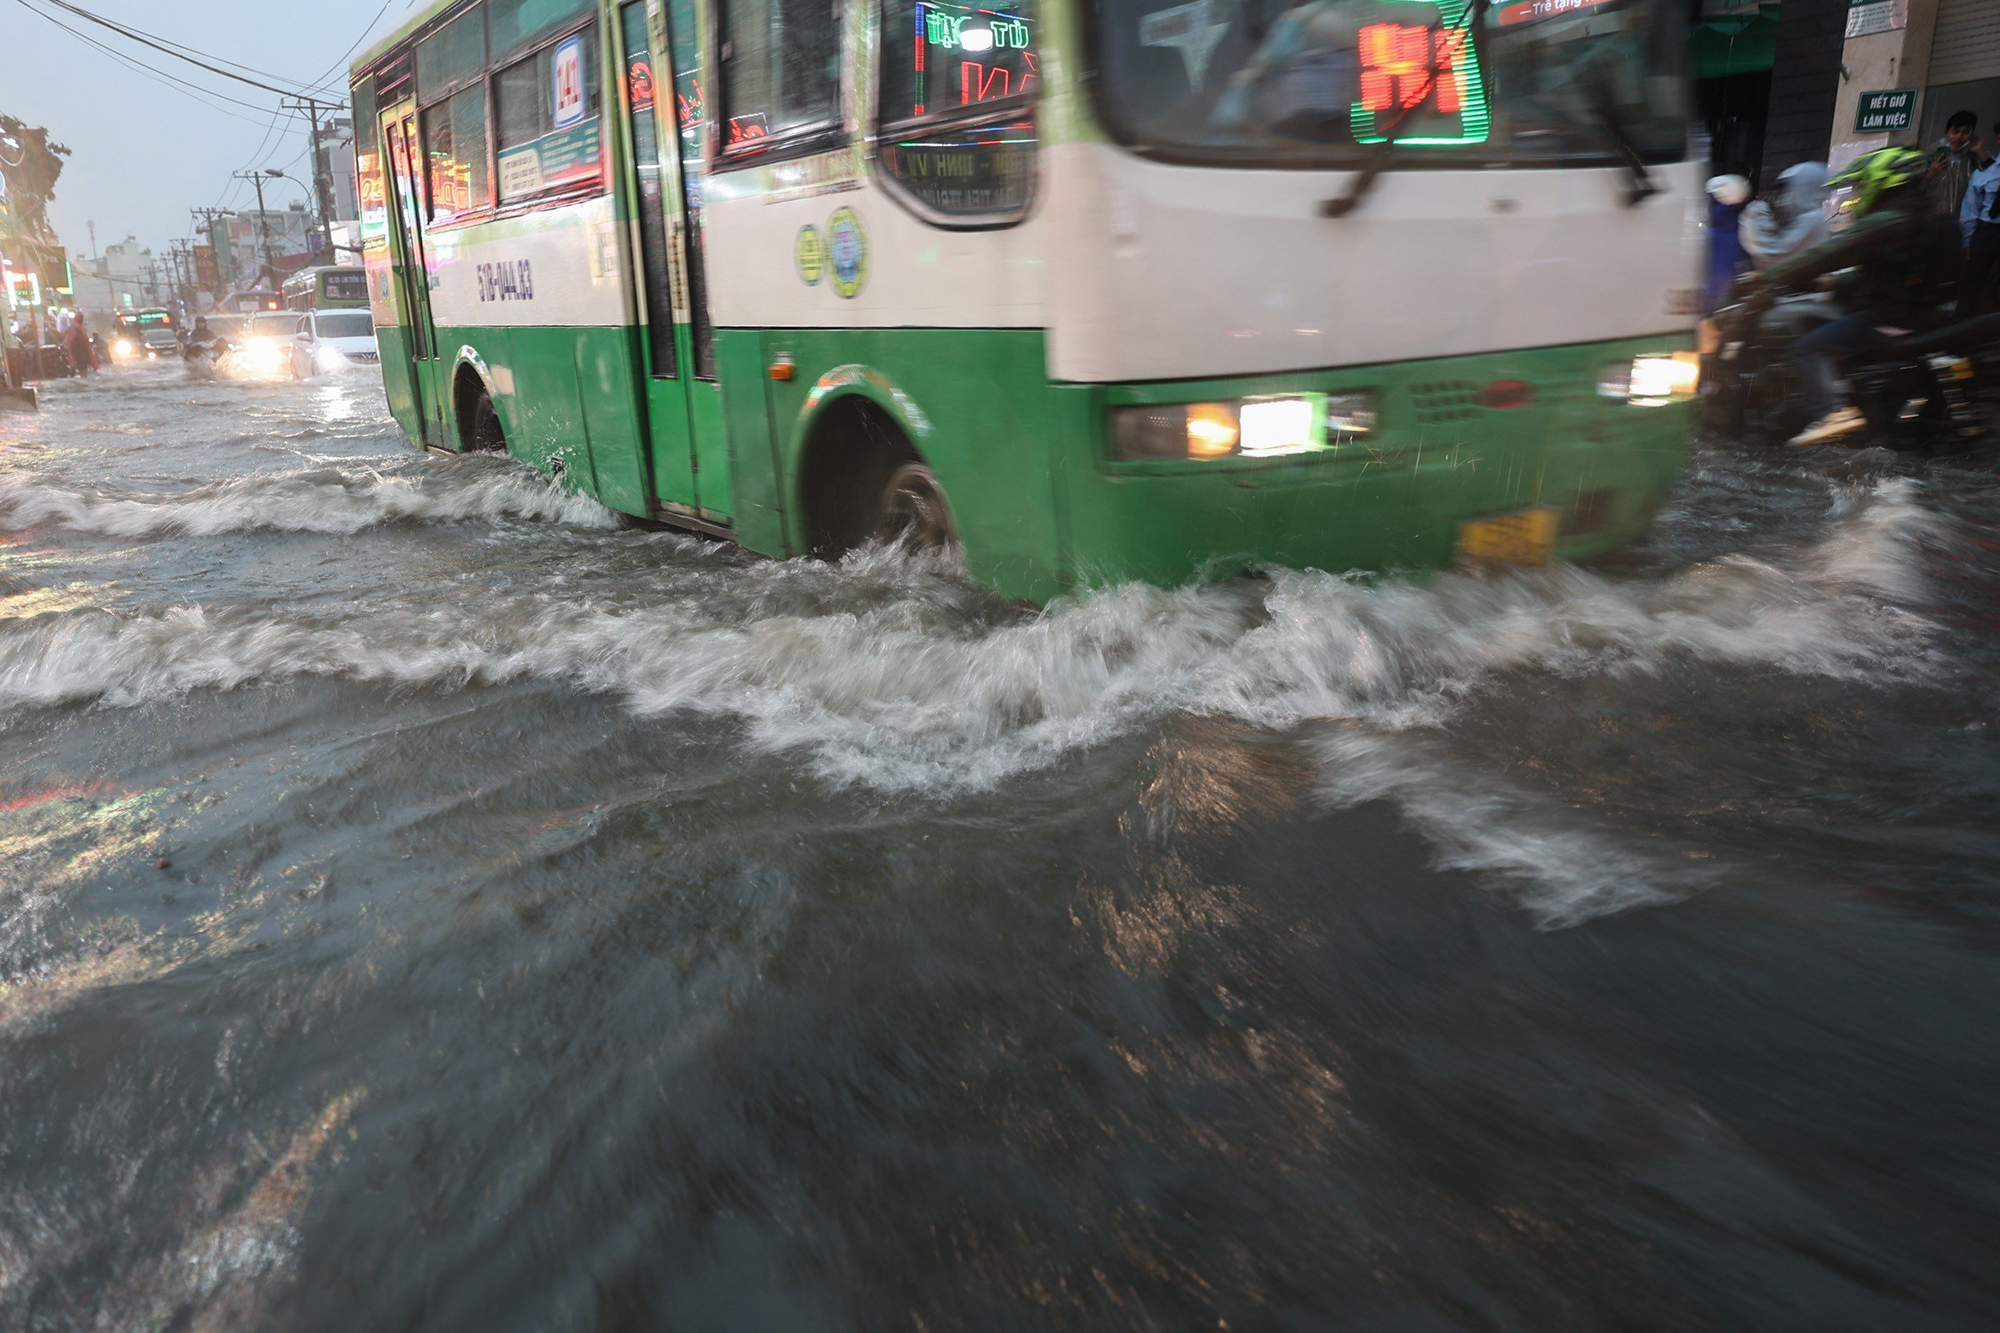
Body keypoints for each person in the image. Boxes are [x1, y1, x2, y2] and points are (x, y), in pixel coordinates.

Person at [1751, 146, 1962, 445]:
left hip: (1887, 316)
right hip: (1916, 313)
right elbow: (1887, 268)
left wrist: (1767, 276)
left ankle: (1831, 412)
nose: (1860, 193)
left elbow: (1827, 253)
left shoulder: (1885, 219)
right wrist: (1832, 284)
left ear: (1883, 180)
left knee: (1807, 348)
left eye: (1863, 185)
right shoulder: (1919, 214)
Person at [1740, 161, 1831, 266]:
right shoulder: (1808, 217)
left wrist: (1754, 218)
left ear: (1804, 187)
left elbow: (1773, 254)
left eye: (1789, 188)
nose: (1785, 195)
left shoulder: (1813, 218)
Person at [1960, 130, 2000, 316]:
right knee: (1973, 286)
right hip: (1987, 234)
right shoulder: (1986, 172)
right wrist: (1968, 241)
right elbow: (1970, 209)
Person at [1703, 173, 1754, 311]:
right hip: (1742, 305)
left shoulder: (1712, 236)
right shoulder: (1748, 228)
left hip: (1718, 309)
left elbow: (1717, 282)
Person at [1928, 109, 1987, 218]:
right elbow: (1918, 189)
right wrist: (1930, 174)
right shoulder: (1933, 157)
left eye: (1965, 132)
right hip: (1935, 220)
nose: (1959, 136)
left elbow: (1995, 179)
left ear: (1971, 134)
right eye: (1955, 131)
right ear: (1946, 132)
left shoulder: (1975, 158)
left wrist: (1980, 150)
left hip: (1967, 220)